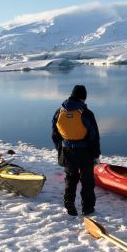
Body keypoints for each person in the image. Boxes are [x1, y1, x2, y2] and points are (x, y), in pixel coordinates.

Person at [52, 85, 101, 216]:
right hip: (84, 152)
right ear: (83, 97)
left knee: (70, 179)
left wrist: (60, 150)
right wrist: (96, 154)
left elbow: (55, 134)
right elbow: (94, 136)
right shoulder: (86, 113)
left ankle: (69, 205)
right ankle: (88, 208)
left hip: (67, 150)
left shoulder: (59, 112)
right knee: (87, 181)